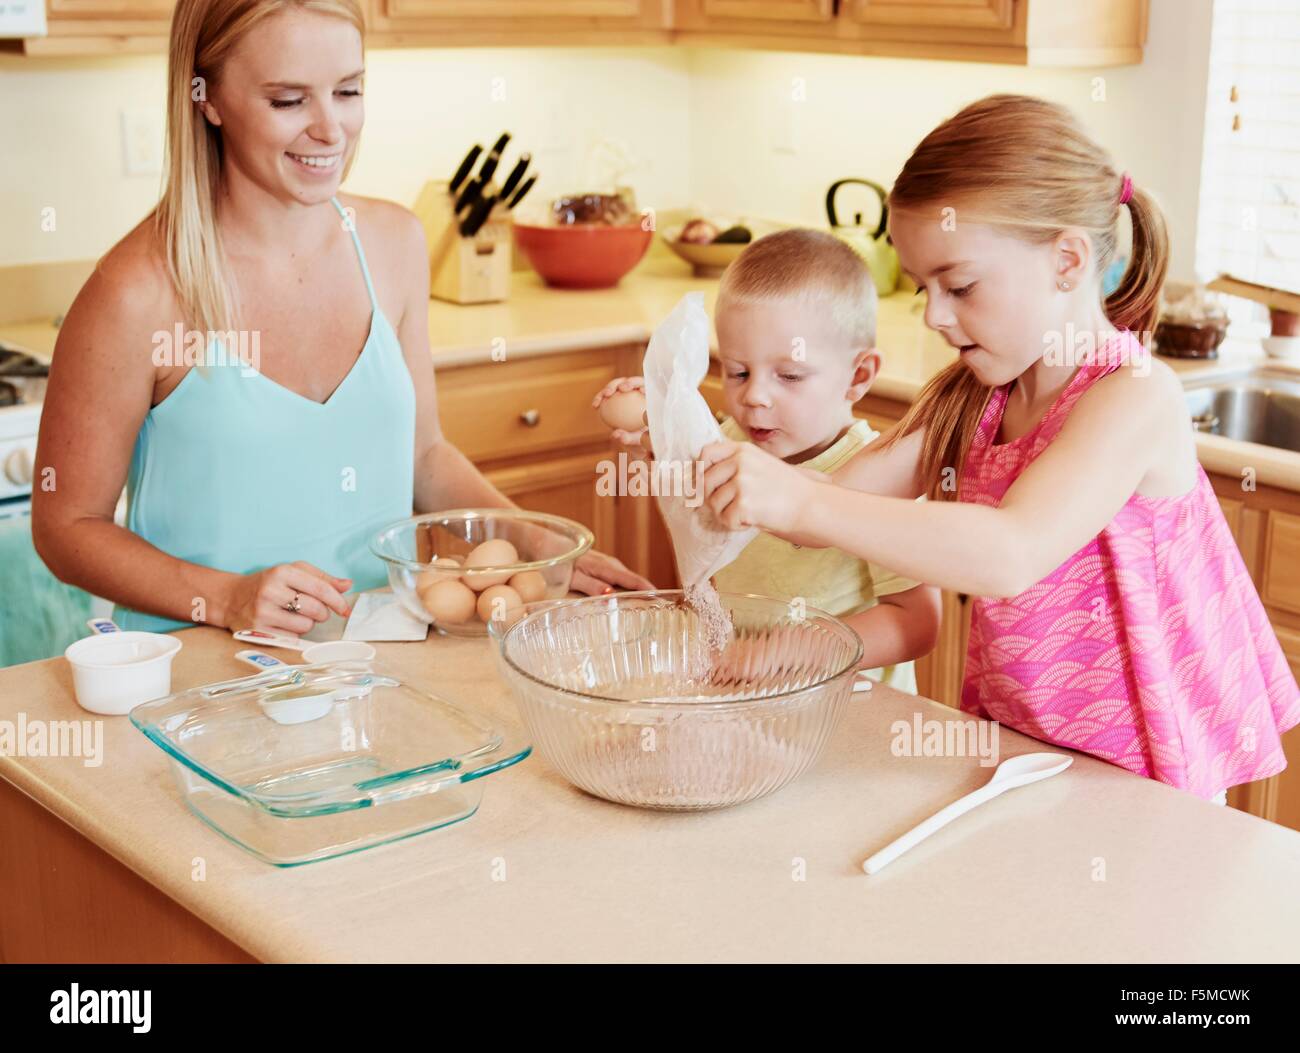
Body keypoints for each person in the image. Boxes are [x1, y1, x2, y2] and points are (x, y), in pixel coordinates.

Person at [699, 94, 1300, 802]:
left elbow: (1009, 552)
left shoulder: (1134, 395)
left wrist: (801, 502)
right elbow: (843, 498)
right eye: (925, 287)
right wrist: (696, 452)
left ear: (1068, 260)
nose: (933, 314)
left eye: (958, 285)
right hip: (1026, 744)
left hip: (1148, 765)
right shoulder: (973, 392)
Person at [33, 0, 649, 637]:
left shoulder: (392, 244)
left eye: (348, 91)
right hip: (202, 692)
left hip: (380, 662)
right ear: (208, 96)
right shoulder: (136, 292)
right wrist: (225, 598)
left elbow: (424, 456)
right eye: (288, 100)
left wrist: (538, 546)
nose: (331, 130)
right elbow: (65, 527)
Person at [594, 229, 941, 690]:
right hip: (749, 690)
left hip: (846, 710)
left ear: (858, 376)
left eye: (790, 376)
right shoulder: (731, 441)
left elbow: (916, 622)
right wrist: (655, 428)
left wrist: (785, 652)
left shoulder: (883, 477)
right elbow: (688, 466)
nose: (754, 396)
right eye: (738, 371)